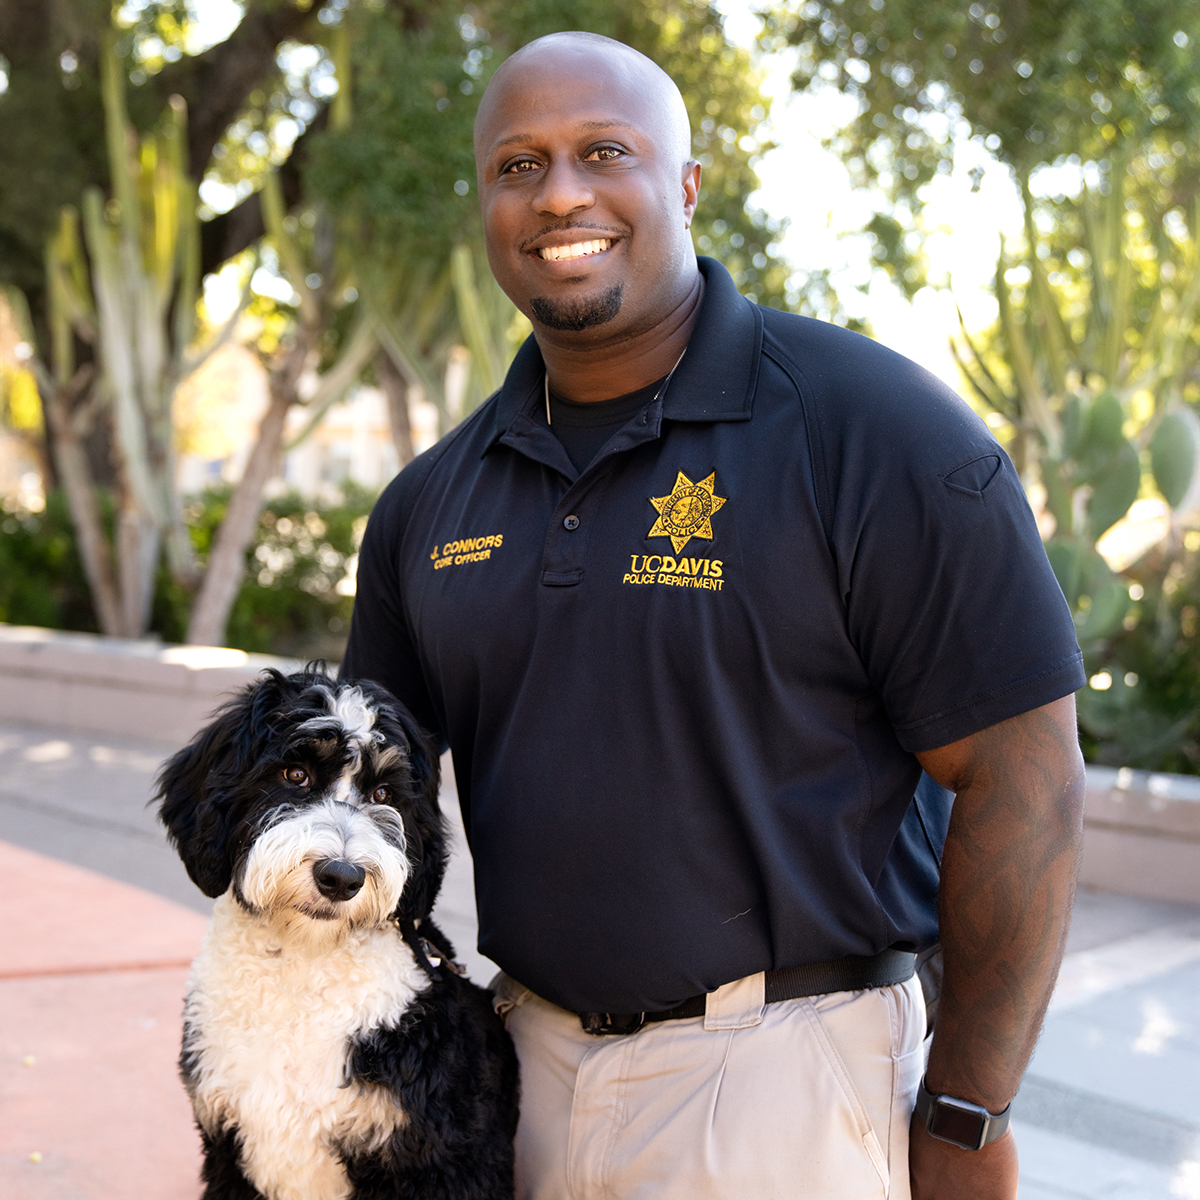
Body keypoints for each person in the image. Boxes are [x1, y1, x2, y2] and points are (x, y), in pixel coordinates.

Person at [340, 30, 1086, 1200]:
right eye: (517, 166)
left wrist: (969, 1110)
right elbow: (364, 798)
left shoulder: (873, 433)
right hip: (518, 1070)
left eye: (604, 151)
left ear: (685, 186)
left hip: (786, 1081)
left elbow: (1026, 778)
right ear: (485, 201)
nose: (561, 193)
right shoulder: (432, 500)